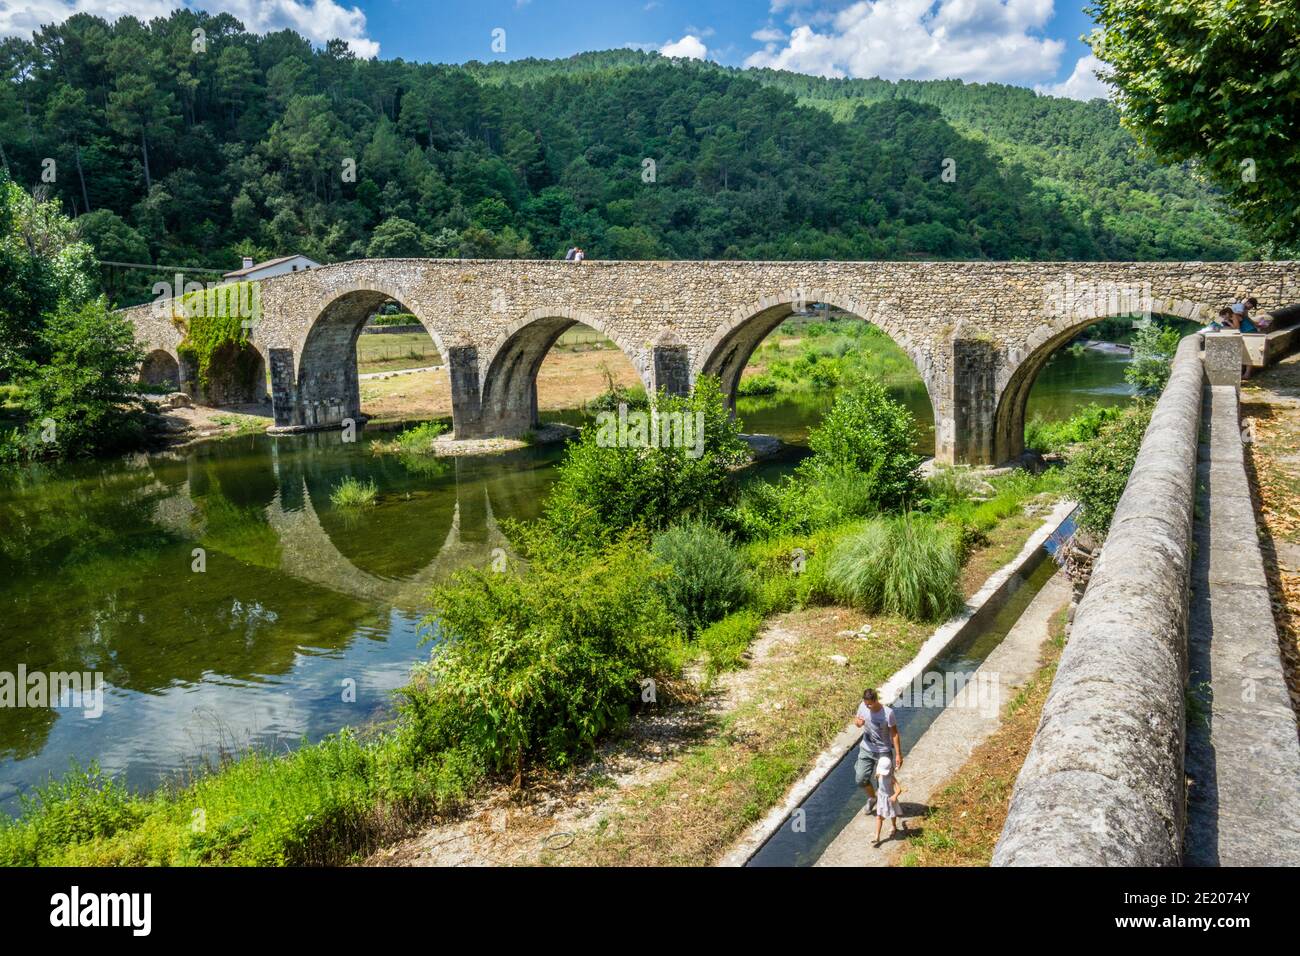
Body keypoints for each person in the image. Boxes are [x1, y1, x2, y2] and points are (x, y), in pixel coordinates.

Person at [853, 687, 902, 814]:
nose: (867, 707)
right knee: (860, 778)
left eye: (870, 704)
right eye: (866, 704)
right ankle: (872, 798)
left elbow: (895, 734)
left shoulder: (888, 713)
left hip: (883, 751)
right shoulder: (863, 707)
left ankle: (885, 808)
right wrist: (859, 723)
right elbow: (857, 721)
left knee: (883, 783)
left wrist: (898, 755)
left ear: (876, 700)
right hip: (866, 748)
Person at [872, 755, 906, 848]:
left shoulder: (891, 777)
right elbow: (878, 777)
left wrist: (895, 796)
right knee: (879, 816)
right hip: (881, 798)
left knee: (892, 814)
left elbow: (899, 789)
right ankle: (877, 836)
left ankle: (894, 826)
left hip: (890, 799)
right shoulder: (879, 773)